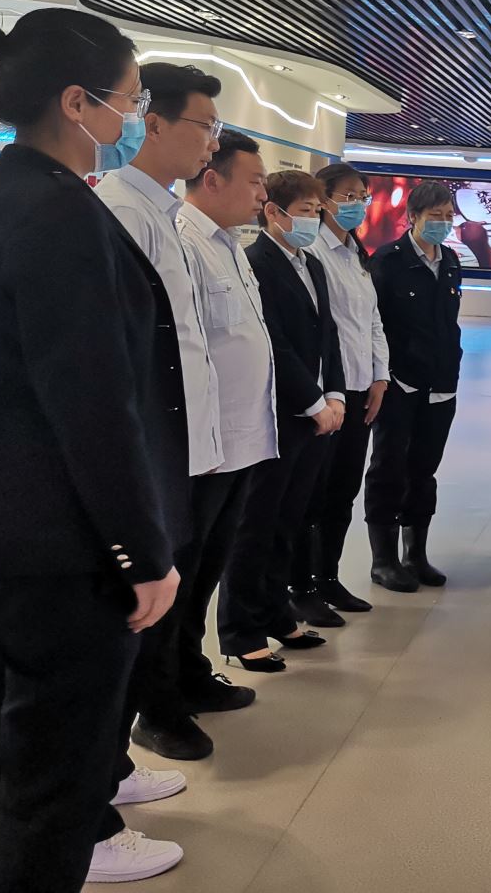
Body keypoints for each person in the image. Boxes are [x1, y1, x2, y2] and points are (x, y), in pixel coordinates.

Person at [0, 8, 186, 889]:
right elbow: (92, 405)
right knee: (53, 791)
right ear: (76, 102)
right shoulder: (59, 213)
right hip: (54, 553)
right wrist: (142, 552)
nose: (132, 118)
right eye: (129, 101)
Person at [95, 62, 223, 774]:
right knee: (134, 608)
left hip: (185, 444)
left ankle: (119, 759)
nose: (213, 142)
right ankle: (108, 767)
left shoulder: (168, 214)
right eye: (205, 126)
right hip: (148, 448)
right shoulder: (121, 210)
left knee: (169, 595)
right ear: (153, 122)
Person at [220, 171, 346, 671]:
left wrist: (335, 393)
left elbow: (327, 334)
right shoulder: (257, 263)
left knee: (289, 520)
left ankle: (277, 612)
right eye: (307, 210)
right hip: (277, 411)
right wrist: (313, 402)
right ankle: (240, 629)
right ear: (274, 212)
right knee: (256, 523)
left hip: (316, 413)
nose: (315, 219)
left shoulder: (311, 264)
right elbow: (273, 341)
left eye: (318, 210)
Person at [174, 129, 278, 717]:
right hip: (204, 449)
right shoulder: (183, 241)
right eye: (255, 181)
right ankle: (163, 697)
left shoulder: (231, 245)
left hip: (241, 440)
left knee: (207, 570)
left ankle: (190, 671)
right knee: (183, 575)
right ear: (212, 179)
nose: (263, 193)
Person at [292, 162, 391, 625]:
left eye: (362, 196)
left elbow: (372, 320)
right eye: (347, 195)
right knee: (312, 493)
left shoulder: (356, 254)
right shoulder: (313, 252)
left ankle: (328, 577)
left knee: (343, 490)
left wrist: (380, 377)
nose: (357, 205)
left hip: (359, 389)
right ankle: (301, 586)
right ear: (324, 199)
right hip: (325, 393)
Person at [365, 180, 465, 591]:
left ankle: (415, 555)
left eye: (448, 216)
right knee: (389, 467)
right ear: (413, 217)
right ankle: (383, 560)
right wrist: (382, 373)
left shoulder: (452, 260)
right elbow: (374, 323)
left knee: (424, 469)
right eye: (434, 216)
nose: (443, 223)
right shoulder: (388, 261)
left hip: (441, 384)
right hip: (399, 383)